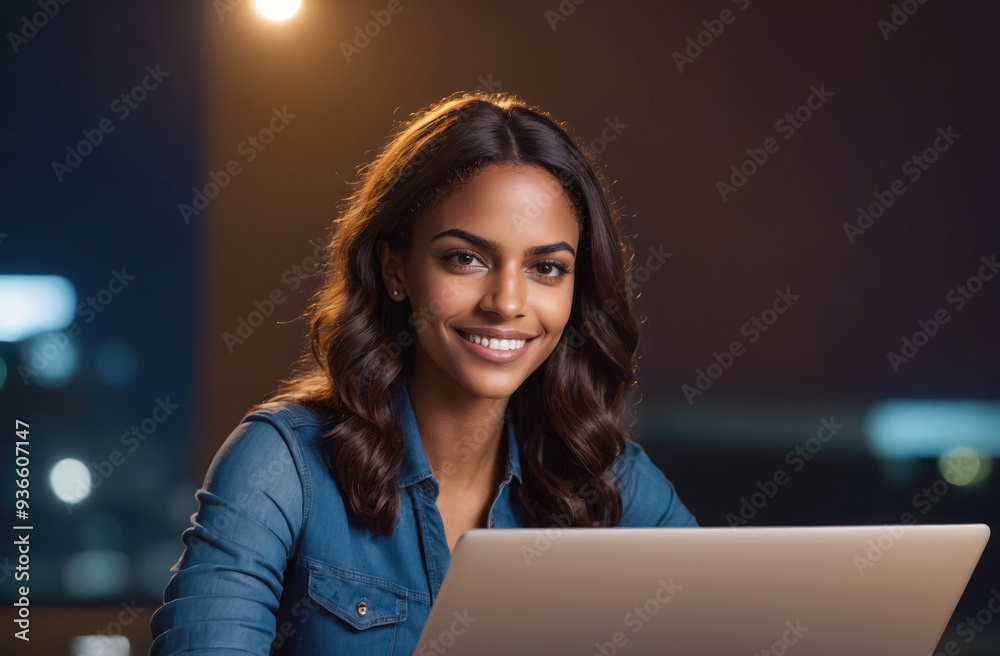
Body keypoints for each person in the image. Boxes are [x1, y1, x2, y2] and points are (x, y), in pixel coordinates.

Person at [148, 90, 698, 655]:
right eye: (465, 258)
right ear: (395, 270)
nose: (507, 302)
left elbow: (735, 626)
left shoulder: (608, 480)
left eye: (546, 268)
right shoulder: (282, 466)